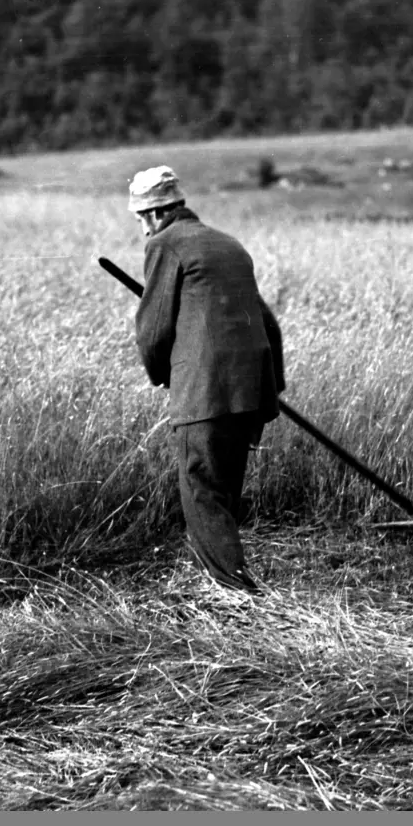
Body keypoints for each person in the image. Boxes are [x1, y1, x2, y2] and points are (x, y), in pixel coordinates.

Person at [128, 165, 286, 595]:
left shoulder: (165, 244)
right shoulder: (228, 244)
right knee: (223, 492)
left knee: (202, 494)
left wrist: (163, 375)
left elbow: (154, 328)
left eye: (142, 219)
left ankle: (237, 596)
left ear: (157, 214)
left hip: (207, 390)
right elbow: (268, 323)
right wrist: (272, 385)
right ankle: (219, 583)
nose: (143, 230)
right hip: (252, 389)